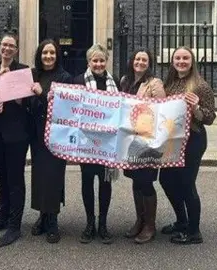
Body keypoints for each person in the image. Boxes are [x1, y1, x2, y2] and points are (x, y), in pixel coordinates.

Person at [159, 46, 216, 244]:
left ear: (192, 62)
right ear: (172, 62)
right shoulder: (170, 82)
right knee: (166, 179)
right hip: (173, 139)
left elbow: (210, 118)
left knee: (186, 184)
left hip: (193, 139)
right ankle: (182, 220)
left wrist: (196, 108)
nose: (181, 61)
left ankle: (194, 231)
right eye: (178, 58)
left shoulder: (200, 86)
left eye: (185, 58)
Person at [0, 32, 35, 247]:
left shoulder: (23, 72)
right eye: (4, 45)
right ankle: (3, 217)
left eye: (11, 46)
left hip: (16, 135)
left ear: (16, 50)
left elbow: (29, 105)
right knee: (0, 177)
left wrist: (17, 97)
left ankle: (15, 226)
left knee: (15, 179)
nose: (7, 49)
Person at [73, 44, 120, 244]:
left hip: (108, 143)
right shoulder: (78, 81)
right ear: (88, 62)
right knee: (87, 182)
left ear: (106, 61)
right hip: (87, 142)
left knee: (105, 182)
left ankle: (103, 224)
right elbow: (71, 108)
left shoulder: (115, 82)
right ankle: (89, 223)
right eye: (95, 60)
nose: (99, 64)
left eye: (102, 60)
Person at [28, 39, 72, 244]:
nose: (48, 57)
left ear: (57, 55)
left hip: (56, 134)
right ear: (40, 54)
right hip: (36, 133)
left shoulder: (65, 78)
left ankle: (53, 218)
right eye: (45, 53)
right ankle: (43, 215)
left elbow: (65, 108)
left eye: (52, 53)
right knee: (39, 174)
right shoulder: (33, 75)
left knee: (54, 175)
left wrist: (42, 94)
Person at [120, 48, 166, 244]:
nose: (140, 62)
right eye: (137, 58)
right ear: (132, 61)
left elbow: (162, 108)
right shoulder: (124, 81)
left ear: (149, 63)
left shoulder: (154, 83)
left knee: (146, 181)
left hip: (147, 140)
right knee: (136, 180)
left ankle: (150, 225)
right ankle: (140, 220)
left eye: (144, 59)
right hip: (130, 140)